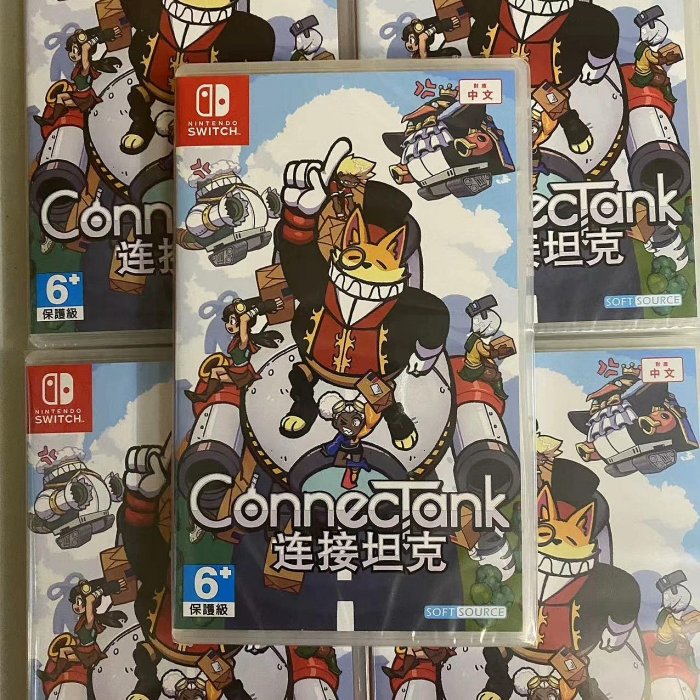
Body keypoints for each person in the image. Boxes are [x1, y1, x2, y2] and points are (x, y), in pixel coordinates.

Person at [185, 297, 283, 403]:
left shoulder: (243, 341)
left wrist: (262, 307)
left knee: (216, 374)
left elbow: (244, 318)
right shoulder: (236, 339)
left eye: (232, 321)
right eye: (228, 321)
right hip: (236, 369)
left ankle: (206, 395)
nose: (228, 325)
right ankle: (209, 392)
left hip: (242, 374)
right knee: (214, 371)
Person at [34, 27, 122, 128]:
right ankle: (53, 119)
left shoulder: (85, 67)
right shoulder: (78, 66)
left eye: (75, 50)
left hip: (85, 98)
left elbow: (85, 47)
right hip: (79, 94)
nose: (72, 54)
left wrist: (100, 36)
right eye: (71, 50)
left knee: (61, 98)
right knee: (60, 97)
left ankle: (51, 120)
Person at [631, 5, 678, 104]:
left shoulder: (642, 46)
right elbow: (655, 60)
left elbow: (652, 55)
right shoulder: (647, 50)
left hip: (641, 72)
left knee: (661, 72)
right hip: (644, 76)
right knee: (665, 80)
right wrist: (666, 58)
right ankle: (668, 96)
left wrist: (661, 55)